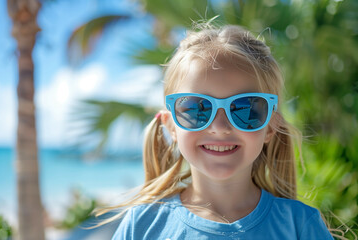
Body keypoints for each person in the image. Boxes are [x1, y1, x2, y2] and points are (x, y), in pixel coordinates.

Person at [109, 24, 334, 239]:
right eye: (197, 109)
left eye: (246, 109)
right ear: (171, 126)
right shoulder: (142, 225)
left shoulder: (300, 225)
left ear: (270, 126)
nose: (219, 127)